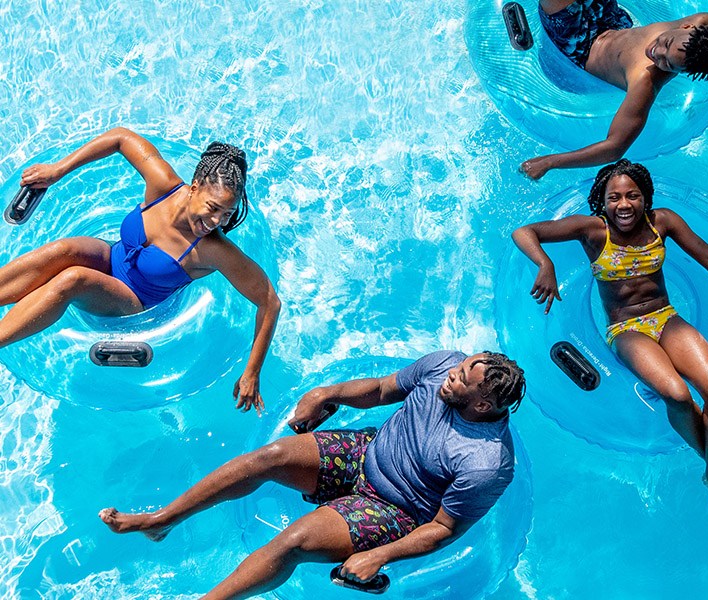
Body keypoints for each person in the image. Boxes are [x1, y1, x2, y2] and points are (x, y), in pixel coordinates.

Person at [98, 350, 526, 599]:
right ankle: (159, 522)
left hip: (396, 509)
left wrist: (381, 556)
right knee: (269, 456)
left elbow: (443, 529)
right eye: (458, 367)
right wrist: (327, 393)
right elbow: (381, 389)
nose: (449, 375)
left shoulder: (486, 462)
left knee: (294, 541)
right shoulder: (444, 365)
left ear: (483, 405)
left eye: (460, 380)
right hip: (367, 453)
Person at [512, 159, 708, 517]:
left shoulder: (663, 222)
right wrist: (545, 264)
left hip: (666, 318)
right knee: (676, 394)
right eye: (614, 197)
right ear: (602, 201)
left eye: (633, 195)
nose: (624, 204)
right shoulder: (592, 230)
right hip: (626, 329)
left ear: (646, 198)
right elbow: (524, 232)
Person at [7, 127, 280, 413]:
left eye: (227, 213)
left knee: (74, 279)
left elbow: (269, 302)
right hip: (113, 256)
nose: (216, 221)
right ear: (195, 186)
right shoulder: (163, 186)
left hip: (134, 301)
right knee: (65, 251)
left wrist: (252, 372)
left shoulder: (214, 250)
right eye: (213, 207)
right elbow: (120, 138)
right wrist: (57, 171)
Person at [520, 0, 708, 180]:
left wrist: (549, 162)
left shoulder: (644, 82)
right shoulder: (704, 24)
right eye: (666, 44)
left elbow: (614, 147)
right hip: (613, 20)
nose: (657, 54)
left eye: (669, 64)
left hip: (579, 46)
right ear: (687, 26)